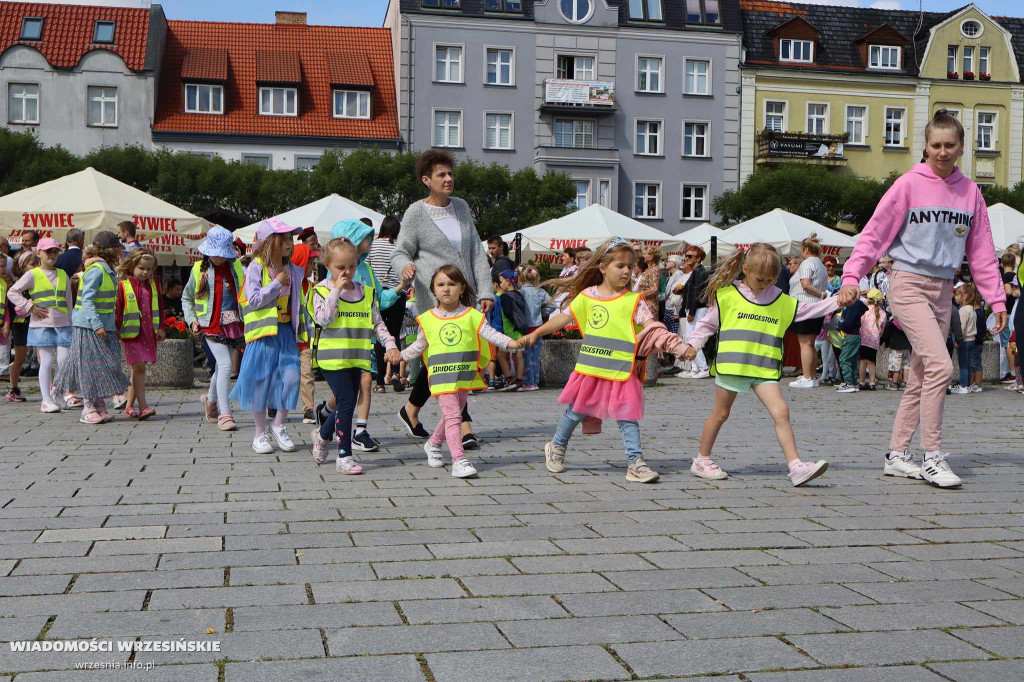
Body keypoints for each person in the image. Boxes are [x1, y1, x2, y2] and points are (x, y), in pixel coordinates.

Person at [838, 109, 1007, 488]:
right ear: (925, 147)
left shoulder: (971, 192)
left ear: (961, 146)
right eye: (936, 146)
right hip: (908, 282)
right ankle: (933, 456)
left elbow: (981, 251)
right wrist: (851, 275)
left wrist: (997, 301)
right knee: (941, 367)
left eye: (950, 145)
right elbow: (874, 234)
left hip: (944, 287)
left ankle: (897, 455)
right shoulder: (907, 186)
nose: (943, 152)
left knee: (920, 374)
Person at [520, 239, 689, 483]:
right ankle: (556, 446)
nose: (627, 272)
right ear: (602, 267)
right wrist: (536, 333)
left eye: (630, 267)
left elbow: (653, 327)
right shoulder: (587, 297)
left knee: (627, 416)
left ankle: (635, 462)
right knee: (576, 412)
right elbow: (564, 318)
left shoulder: (634, 300)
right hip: (591, 369)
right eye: (620, 266)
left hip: (622, 371)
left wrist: (676, 345)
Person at [681, 243, 839, 486]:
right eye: (760, 279)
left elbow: (810, 310)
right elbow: (706, 325)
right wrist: (693, 345)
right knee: (721, 413)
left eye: (770, 279)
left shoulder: (781, 300)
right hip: (733, 366)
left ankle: (795, 466)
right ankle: (701, 459)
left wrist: (839, 302)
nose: (765, 284)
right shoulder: (727, 296)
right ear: (745, 269)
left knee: (781, 412)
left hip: (763, 368)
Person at [393, 150, 495, 448]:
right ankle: (463, 427)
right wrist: (406, 267)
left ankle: (410, 409)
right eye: (441, 175)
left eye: (450, 173)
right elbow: (400, 252)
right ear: (427, 180)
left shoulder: (461, 207)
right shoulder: (415, 212)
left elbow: (476, 251)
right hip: (433, 298)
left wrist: (486, 291)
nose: (448, 179)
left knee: (450, 357)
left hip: (466, 297)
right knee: (447, 357)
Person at [403, 265, 518, 478]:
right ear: (433, 290)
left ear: (462, 287)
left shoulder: (472, 315)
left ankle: (433, 443)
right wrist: (399, 356)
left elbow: (491, 334)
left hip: (465, 375)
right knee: (454, 414)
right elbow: (418, 346)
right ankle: (459, 459)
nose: (446, 289)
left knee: (451, 416)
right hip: (441, 378)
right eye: (441, 284)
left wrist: (512, 343)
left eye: (451, 284)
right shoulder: (427, 319)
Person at [308, 238, 401, 474]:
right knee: (347, 400)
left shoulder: (365, 292)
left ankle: (322, 434)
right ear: (327, 264)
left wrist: (390, 344)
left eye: (351, 266)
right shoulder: (320, 291)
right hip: (332, 359)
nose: (346, 271)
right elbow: (324, 319)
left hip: (357, 358)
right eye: (340, 267)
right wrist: (336, 291)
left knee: (344, 403)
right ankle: (344, 456)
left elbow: (377, 324)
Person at [331, 218, 411, 451]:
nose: (371, 240)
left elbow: (379, 301)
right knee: (349, 389)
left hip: (365, 337)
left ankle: (361, 430)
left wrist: (400, 286)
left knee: (365, 380)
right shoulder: (336, 270)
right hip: (343, 338)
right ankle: (327, 417)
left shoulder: (366, 268)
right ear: (352, 240)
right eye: (366, 236)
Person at [230, 218, 304, 454]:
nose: (289, 244)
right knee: (260, 382)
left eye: (290, 239)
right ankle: (259, 434)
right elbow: (252, 300)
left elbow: (298, 304)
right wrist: (275, 284)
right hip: (262, 333)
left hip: (285, 332)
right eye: (284, 239)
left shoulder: (293, 269)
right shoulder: (256, 267)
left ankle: (279, 424)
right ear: (270, 242)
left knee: (292, 378)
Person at [53, 231, 129, 424]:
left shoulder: (107, 270)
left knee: (103, 365)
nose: (121, 251)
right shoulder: (97, 270)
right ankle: (88, 407)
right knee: (90, 366)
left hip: (102, 325)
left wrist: (110, 326)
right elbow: (87, 300)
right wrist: (97, 325)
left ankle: (99, 404)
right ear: (109, 250)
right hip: (89, 326)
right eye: (118, 248)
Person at [183, 226, 246, 431]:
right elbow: (187, 298)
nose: (218, 258)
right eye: (215, 254)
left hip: (233, 323)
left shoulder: (236, 266)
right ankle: (225, 414)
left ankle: (210, 400)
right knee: (227, 366)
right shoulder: (197, 269)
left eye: (222, 254)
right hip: (209, 324)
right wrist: (192, 319)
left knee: (221, 367)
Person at [6, 238, 73, 413]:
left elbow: (68, 302)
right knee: (47, 361)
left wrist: (72, 323)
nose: (52, 254)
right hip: (42, 325)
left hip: (63, 324)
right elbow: (12, 292)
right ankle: (45, 400)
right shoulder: (33, 274)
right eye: (48, 251)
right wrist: (30, 307)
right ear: (39, 253)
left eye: (55, 251)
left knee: (64, 361)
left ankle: (57, 391)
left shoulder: (63, 274)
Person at [115, 248, 165, 419]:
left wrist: (161, 328)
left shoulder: (153, 285)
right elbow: (118, 309)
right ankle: (143, 407)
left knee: (136, 370)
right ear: (132, 267)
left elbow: (160, 308)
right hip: (130, 334)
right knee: (139, 368)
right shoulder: (123, 285)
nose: (145, 272)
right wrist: (115, 329)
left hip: (148, 333)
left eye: (149, 269)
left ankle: (129, 407)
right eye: (141, 268)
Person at [367, 216, 410, 393]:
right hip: (397, 293)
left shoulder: (373, 246)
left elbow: (368, 269)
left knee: (380, 335)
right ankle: (394, 373)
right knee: (394, 334)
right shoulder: (401, 248)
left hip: (378, 294)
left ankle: (379, 382)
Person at [788, 234, 829, 388]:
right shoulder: (821, 265)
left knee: (804, 343)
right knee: (810, 343)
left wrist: (821, 294)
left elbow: (806, 285)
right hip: (816, 308)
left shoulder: (806, 264)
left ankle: (807, 377)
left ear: (805, 249)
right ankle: (811, 376)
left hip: (805, 306)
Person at [290, 243, 318, 423]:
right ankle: (274, 403)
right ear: (300, 263)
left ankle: (309, 409)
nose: (314, 266)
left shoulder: (312, 286)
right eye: (311, 261)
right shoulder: (289, 284)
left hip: (303, 340)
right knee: (282, 374)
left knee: (307, 373)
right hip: (286, 337)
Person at [5, 251, 36, 402]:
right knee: (19, 358)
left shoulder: (39, 282)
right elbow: (12, 307)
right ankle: (13, 387)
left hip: (36, 323)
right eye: (32, 264)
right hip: (20, 325)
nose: (36, 267)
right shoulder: (17, 285)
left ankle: (51, 388)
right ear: (23, 266)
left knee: (43, 358)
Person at [680, 245, 710, 379]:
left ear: (698, 258)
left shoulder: (700, 272)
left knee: (693, 338)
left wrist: (691, 311)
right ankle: (695, 367)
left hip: (697, 308)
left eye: (690, 256)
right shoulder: (695, 272)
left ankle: (703, 367)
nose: (687, 258)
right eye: (686, 256)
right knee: (689, 338)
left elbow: (699, 293)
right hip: (693, 308)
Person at [517, 265, 549, 391]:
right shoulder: (541, 291)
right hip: (538, 326)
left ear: (522, 277)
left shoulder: (520, 292)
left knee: (526, 355)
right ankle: (535, 380)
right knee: (535, 355)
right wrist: (543, 312)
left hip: (525, 326)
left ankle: (528, 381)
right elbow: (552, 304)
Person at [951, 283, 983, 394]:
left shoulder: (963, 310)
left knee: (963, 364)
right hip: (972, 340)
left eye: (957, 295)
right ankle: (968, 385)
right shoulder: (972, 309)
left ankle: (963, 386)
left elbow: (961, 327)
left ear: (964, 296)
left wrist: (957, 340)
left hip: (964, 340)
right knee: (968, 363)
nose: (955, 297)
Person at [858, 289, 887, 390]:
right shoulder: (882, 313)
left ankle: (861, 382)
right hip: (874, 341)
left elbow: (860, 323)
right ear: (879, 301)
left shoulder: (864, 310)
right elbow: (882, 328)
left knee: (862, 361)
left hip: (863, 339)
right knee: (872, 362)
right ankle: (872, 383)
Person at [999, 251, 1017, 381]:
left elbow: (1008, 291)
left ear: (1002, 264)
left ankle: (1012, 372)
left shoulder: (1005, 277)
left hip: (1007, 312)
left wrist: (999, 299)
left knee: (1007, 342)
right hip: (1015, 310)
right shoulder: (1016, 276)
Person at [881, 314, 912, 390]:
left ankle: (894, 383)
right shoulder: (909, 321)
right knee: (906, 365)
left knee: (895, 365)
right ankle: (905, 383)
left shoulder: (893, 323)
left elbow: (886, 334)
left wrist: (884, 343)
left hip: (896, 346)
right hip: (907, 346)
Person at [635, 246, 660, 317]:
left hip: (649, 307)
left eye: (645, 253)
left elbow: (654, 289)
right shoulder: (649, 270)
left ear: (651, 256)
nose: (643, 255)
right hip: (645, 305)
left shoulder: (654, 270)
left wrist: (638, 295)